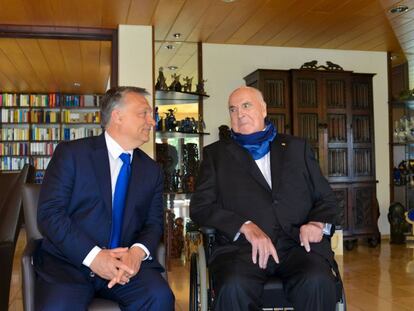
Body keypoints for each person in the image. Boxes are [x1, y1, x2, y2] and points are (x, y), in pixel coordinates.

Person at [190, 86, 340, 311]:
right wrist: (244, 226)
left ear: (263, 109)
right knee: (233, 287)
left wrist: (316, 223)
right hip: (242, 250)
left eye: (246, 105)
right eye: (233, 109)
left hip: (296, 246)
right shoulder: (216, 155)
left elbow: (327, 199)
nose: (240, 114)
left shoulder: (296, 148)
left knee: (317, 281)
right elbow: (200, 207)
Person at [35, 86, 174, 311]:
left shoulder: (152, 170)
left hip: (126, 265)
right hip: (70, 262)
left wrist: (136, 253)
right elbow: (50, 214)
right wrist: (94, 257)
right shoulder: (72, 154)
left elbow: (154, 223)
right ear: (117, 116)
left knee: (159, 297)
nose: (152, 121)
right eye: (144, 113)